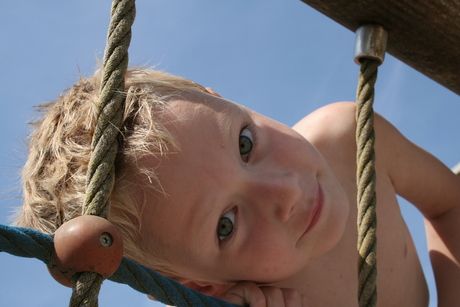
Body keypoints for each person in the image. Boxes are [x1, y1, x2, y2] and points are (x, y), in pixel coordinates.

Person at [14, 67, 460, 306]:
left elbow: (451, 205)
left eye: (246, 143)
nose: (283, 192)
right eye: (226, 225)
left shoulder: (349, 138)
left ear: (223, 98)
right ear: (202, 286)